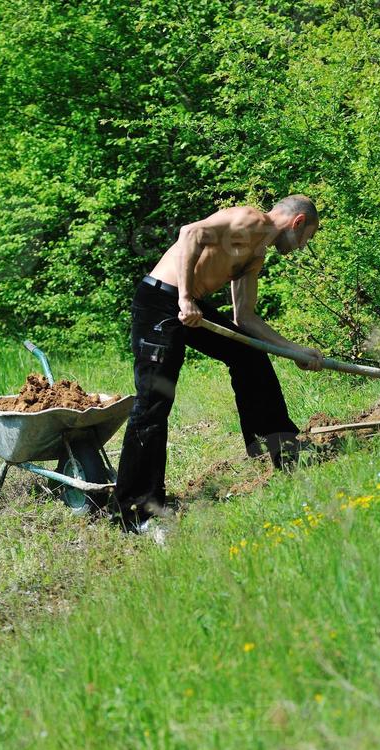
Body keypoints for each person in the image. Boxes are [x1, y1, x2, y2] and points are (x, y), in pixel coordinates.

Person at [114, 194, 324, 530]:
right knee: (154, 401)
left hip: (189, 306)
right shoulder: (250, 221)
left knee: (249, 354)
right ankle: (136, 512)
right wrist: (184, 297)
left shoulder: (255, 254)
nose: (300, 247)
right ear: (297, 223)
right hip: (161, 302)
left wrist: (294, 350)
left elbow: (246, 320)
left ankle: (280, 449)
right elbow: (190, 234)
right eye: (305, 238)